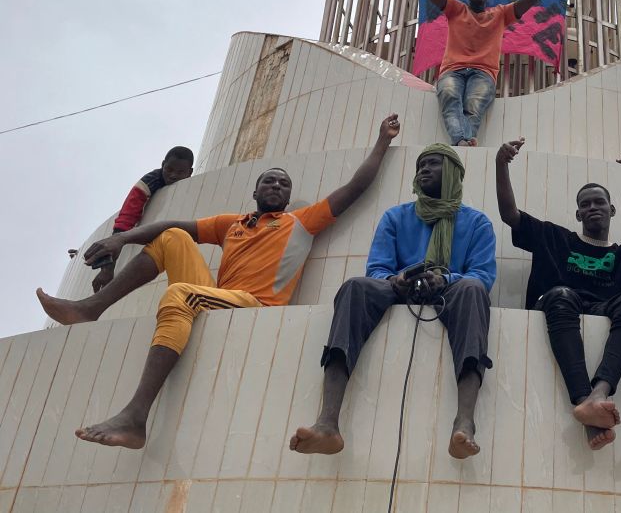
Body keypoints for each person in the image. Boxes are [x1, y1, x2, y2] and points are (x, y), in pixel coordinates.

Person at [35, 115, 402, 449]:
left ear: (289, 197)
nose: (276, 185)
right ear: (255, 192)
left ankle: (134, 418)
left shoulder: (300, 223)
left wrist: (382, 141)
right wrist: (121, 239)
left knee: (181, 295)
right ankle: (89, 309)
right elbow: (172, 225)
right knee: (172, 238)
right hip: (218, 297)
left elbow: (356, 186)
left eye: (284, 184)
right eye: (269, 181)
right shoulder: (233, 223)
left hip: (255, 304)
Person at [289, 143, 496, 460]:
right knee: (355, 287)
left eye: (433, 164)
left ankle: (464, 423)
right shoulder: (396, 216)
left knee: (472, 289)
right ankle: (327, 423)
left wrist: (446, 279)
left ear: (453, 172)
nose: (423, 169)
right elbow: (377, 268)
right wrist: (394, 280)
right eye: (420, 165)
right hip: (399, 287)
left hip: (450, 289)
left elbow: (482, 274)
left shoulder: (477, 222)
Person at [494, 137, 621, 450]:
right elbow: (510, 215)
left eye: (599, 202)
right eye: (586, 204)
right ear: (579, 215)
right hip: (561, 307)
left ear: (612, 210)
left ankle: (598, 395)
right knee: (560, 294)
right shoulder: (553, 237)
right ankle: (586, 402)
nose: (593, 207)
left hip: (603, 308)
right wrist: (501, 165)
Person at [418, 0, 541, 147]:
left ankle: (461, 142)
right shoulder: (455, 9)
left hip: (483, 74)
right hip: (452, 71)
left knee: (473, 107)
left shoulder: (501, 14)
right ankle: (465, 142)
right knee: (448, 96)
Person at [91, 147, 194, 291]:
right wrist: (107, 269)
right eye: (169, 169)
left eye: (180, 172)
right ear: (162, 164)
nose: (173, 175)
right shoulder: (148, 182)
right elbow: (125, 220)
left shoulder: (195, 188)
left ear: (190, 173)